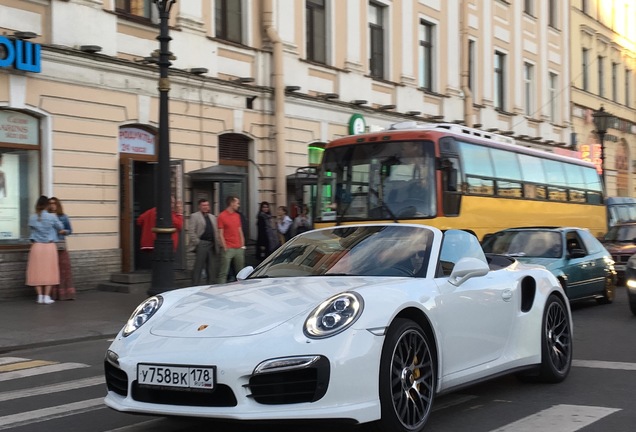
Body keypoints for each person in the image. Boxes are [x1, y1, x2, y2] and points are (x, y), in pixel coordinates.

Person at [26, 195, 64, 304]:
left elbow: (32, 231)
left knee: (36, 271)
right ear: (47, 205)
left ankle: (39, 296)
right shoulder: (52, 217)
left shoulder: (32, 217)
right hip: (49, 246)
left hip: (36, 246)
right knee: (50, 271)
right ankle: (47, 297)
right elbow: (60, 227)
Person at [48, 197, 76, 300]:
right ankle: (52, 294)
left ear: (57, 205)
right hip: (49, 245)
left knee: (64, 269)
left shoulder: (63, 217)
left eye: (54, 203)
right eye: (50, 203)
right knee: (52, 269)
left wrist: (64, 231)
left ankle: (66, 293)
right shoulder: (46, 217)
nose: (52, 205)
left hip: (60, 245)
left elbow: (70, 230)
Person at [189, 198, 221, 285]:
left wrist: (218, 243)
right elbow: (191, 231)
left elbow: (216, 231)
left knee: (211, 267)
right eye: (203, 205)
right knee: (198, 266)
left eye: (207, 205)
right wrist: (197, 242)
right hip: (202, 243)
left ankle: (210, 285)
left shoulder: (212, 217)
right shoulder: (195, 216)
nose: (205, 207)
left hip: (212, 244)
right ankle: (195, 284)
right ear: (199, 206)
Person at [217, 196, 246, 284]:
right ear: (232, 203)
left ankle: (241, 290)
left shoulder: (237, 216)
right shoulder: (221, 216)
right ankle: (220, 290)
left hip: (238, 248)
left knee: (241, 273)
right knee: (223, 272)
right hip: (228, 248)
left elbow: (240, 231)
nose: (238, 205)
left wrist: (242, 245)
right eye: (237, 203)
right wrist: (224, 247)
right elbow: (220, 233)